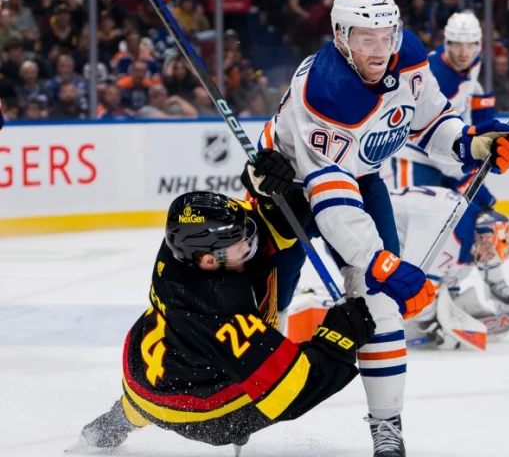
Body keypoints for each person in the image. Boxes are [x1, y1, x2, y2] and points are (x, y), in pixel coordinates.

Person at [245, 0, 509, 456]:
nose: (380, 49)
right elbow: (329, 196)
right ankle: (241, 402)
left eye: (386, 34)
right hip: (288, 188)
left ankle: (386, 425)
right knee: (269, 307)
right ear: (339, 36)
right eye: (365, 38)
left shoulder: (409, 54)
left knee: (381, 305)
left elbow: (431, 121)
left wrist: (472, 145)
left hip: (362, 177)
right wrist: (379, 261)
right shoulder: (327, 90)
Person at [75, 186, 375, 455]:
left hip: (149, 371)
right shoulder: (220, 313)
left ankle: (112, 424)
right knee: (254, 394)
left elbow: (262, 224)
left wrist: (266, 186)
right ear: (209, 261)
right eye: (239, 244)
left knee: (139, 405)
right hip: (204, 413)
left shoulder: (184, 248)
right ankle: (121, 419)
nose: (248, 244)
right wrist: (339, 336)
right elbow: (294, 389)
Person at [389, 11, 509, 311]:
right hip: (417, 161)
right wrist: (465, 168)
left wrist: (486, 149)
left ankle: (483, 282)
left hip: (452, 161)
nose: (463, 52)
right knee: (425, 228)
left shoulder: (475, 74)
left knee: (482, 219)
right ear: (445, 42)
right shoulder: (431, 72)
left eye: (470, 44)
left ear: (479, 45)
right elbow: (418, 129)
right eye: (456, 44)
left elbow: (480, 126)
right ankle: (411, 295)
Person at [389, 185, 509, 346]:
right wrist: (431, 320)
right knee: (401, 278)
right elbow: (415, 284)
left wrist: (448, 301)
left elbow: (448, 266)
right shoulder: (446, 233)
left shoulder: (467, 220)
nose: (488, 258)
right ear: (482, 236)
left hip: (398, 215)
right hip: (375, 220)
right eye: (489, 250)